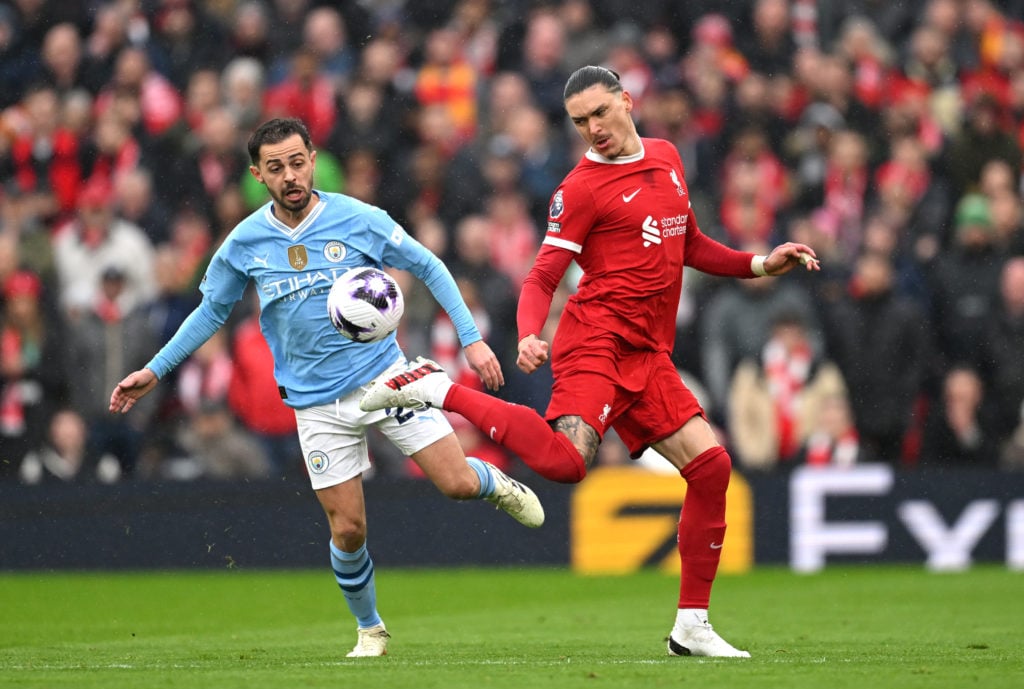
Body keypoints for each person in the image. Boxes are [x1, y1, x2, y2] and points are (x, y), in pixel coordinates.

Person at [360, 66, 820, 659]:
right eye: (579, 122)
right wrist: (529, 333)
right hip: (596, 340)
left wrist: (761, 263)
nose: (592, 129)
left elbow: (691, 246)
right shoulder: (578, 189)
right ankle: (438, 389)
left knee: (710, 469)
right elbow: (543, 275)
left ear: (627, 101)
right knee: (564, 464)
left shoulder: (667, 157)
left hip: (649, 353)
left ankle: (692, 625)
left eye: (600, 113)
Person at [108, 117, 544, 658]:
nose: (289, 175)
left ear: (312, 160)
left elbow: (428, 265)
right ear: (257, 175)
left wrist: (472, 340)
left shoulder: (357, 219)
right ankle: (370, 629)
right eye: (276, 168)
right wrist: (156, 369)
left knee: (454, 483)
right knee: (349, 529)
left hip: (385, 378)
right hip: (315, 403)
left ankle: (495, 484)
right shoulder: (246, 241)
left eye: (296, 162)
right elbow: (210, 312)